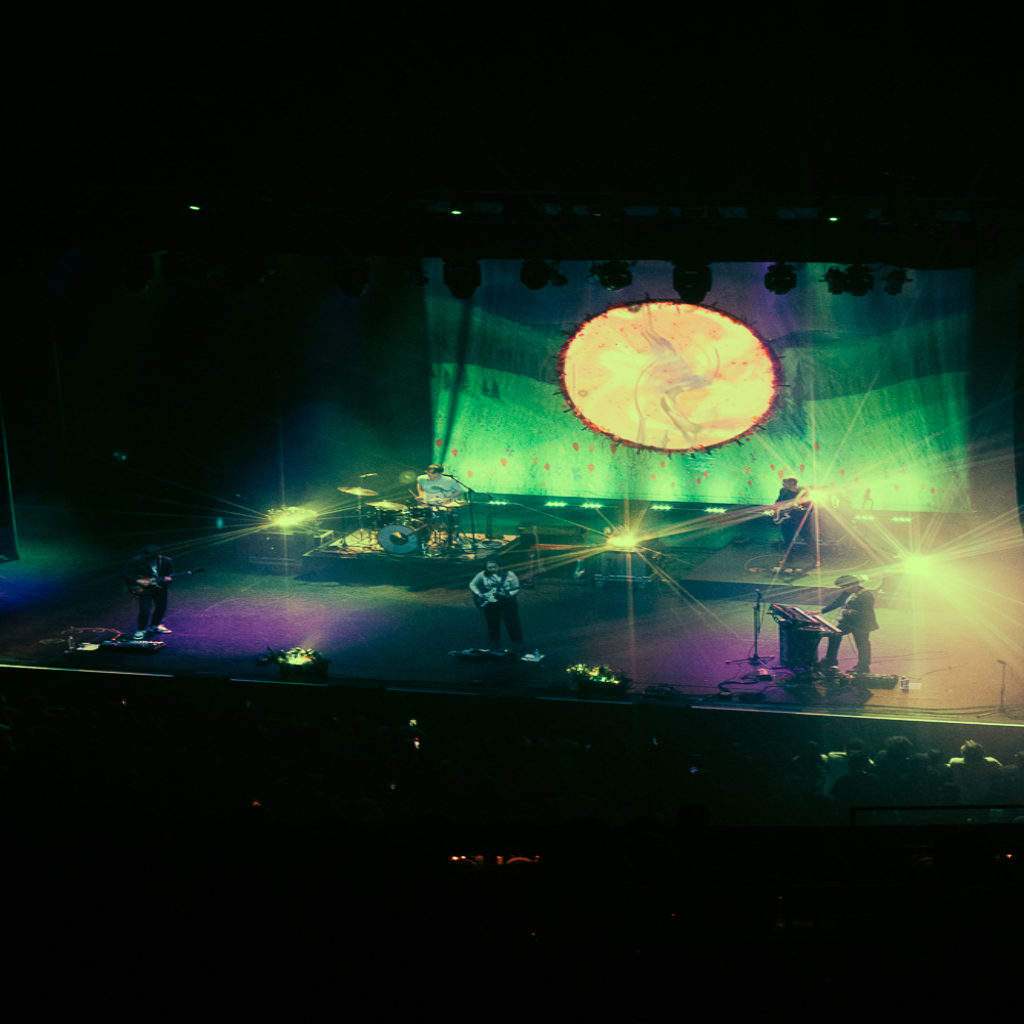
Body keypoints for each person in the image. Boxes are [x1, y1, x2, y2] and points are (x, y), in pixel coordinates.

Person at [818, 573, 878, 674]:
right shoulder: (847, 592)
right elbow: (838, 602)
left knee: (862, 645)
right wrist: (820, 611)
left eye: (844, 586)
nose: (842, 589)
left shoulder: (866, 595)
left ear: (853, 585)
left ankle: (863, 667)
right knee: (834, 635)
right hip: (848, 622)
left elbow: (865, 613)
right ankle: (830, 661)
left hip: (861, 624)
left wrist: (849, 612)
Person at [468, 560, 523, 652]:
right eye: (490, 568)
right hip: (491, 602)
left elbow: (516, 587)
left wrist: (508, 595)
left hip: (507, 602)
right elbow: (472, 584)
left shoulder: (509, 574)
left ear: (499, 566)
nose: (492, 569)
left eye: (495, 567)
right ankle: (494, 642)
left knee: (512, 623)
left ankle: (517, 643)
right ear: (486, 568)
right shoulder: (482, 574)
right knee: (492, 623)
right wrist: (478, 593)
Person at [123, 544, 174, 640]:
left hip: (160, 588)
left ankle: (155, 625)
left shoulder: (166, 560)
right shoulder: (137, 560)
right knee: (145, 609)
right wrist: (138, 581)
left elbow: (170, 572)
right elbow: (127, 574)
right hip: (145, 589)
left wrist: (169, 578)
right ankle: (141, 629)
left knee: (161, 608)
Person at [772, 476, 813, 562]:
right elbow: (778, 501)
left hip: (799, 519)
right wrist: (776, 510)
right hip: (787, 519)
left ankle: (817, 559)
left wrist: (797, 508)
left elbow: (809, 507)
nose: (782, 484)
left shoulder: (803, 492)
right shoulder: (783, 491)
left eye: (784, 482)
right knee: (788, 539)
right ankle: (788, 559)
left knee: (807, 537)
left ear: (791, 483)